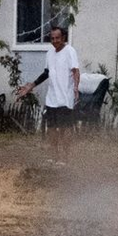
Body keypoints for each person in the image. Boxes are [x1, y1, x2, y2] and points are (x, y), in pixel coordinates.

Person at [16, 25, 79, 158]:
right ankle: (54, 155)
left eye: (57, 38)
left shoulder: (70, 51)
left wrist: (76, 88)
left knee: (64, 128)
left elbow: (75, 70)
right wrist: (32, 85)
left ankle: (65, 157)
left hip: (65, 97)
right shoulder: (49, 53)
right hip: (52, 97)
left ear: (63, 38)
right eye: (52, 38)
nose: (55, 41)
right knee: (51, 128)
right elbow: (46, 73)